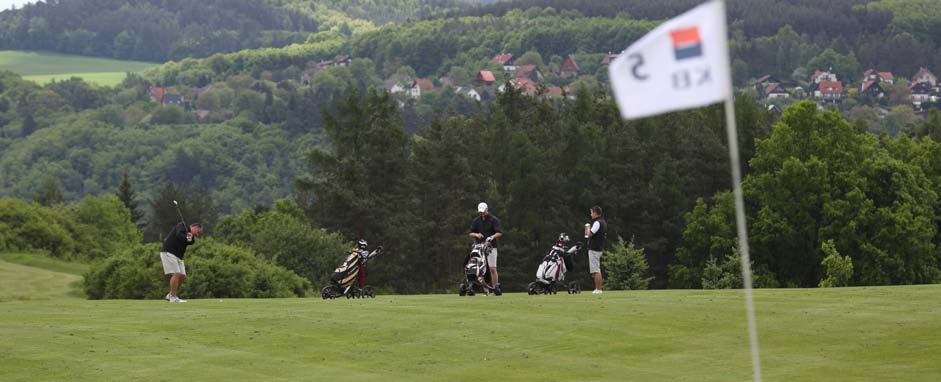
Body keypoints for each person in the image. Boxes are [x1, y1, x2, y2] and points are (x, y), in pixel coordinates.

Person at [160, 222, 203, 303]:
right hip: (169, 252)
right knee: (176, 274)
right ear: (195, 227)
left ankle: (170, 295)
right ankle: (173, 297)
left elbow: (190, 242)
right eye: (198, 232)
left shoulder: (192, 238)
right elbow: (178, 235)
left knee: (182, 276)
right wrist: (186, 236)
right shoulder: (182, 225)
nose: (198, 234)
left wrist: (189, 238)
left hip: (178, 256)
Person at [469, 202, 503, 294]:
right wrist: (476, 234)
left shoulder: (493, 220)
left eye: (483, 212)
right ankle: (486, 291)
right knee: (481, 269)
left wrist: (491, 237)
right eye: (480, 212)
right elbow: (471, 232)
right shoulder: (476, 221)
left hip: (491, 247)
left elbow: (499, 232)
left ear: (487, 210)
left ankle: (495, 288)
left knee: (492, 268)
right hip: (479, 247)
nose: (481, 213)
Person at [586, 206, 607, 294]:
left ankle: (598, 289)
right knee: (596, 269)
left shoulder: (597, 223)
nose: (591, 214)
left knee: (596, 270)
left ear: (595, 213)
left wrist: (587, 227)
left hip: (594, 249)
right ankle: (598, 289)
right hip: (598, 248)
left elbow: (589, 234)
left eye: (591, 212)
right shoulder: (603, 222)